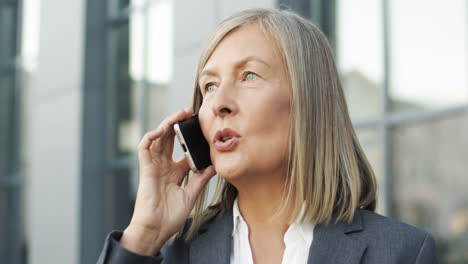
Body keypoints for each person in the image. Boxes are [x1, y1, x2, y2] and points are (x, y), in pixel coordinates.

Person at [97, 8, 439, 264]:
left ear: (310, 100)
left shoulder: (403, 252)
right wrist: (143, 236)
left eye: (249, 76)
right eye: (210, 86)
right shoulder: (172, 251)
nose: (219, 104)